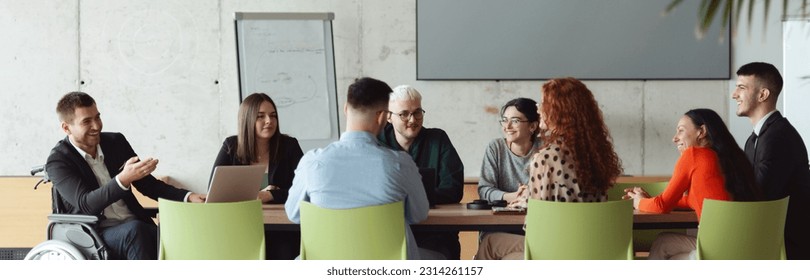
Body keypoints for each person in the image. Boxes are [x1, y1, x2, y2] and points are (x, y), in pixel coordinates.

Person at [45, 92, 206, 260]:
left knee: (183, 231)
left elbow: (148, 185)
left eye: (97, 117)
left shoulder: (115, 142)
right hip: (95, 233)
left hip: (134, 224)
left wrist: (188, 197)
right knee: (136, 232)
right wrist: (123, 179)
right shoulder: (58, 161)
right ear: (66, 127)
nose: (96, 126)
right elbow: (86, 204)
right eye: (86, 121)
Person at [475, 77, 622, 260]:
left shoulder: (546, 158)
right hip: (591, 250)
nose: (538, 108)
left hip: (555, 252)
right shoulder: (594, 155)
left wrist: (525, 200)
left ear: (558, 112)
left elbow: (537, 224)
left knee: (490, 243)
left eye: (543, 103)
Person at [285, 77, 431, 260]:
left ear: (346, 109)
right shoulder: (400, 164)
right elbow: (419, 214)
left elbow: (294, 214)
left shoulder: (311, 163)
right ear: (381, 117)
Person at [624, 108, 762, 260]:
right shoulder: (731, 160)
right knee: (663, 242)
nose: (674, 138)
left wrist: (639, 202)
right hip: (750, 248)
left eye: (681, 131)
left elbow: (661, 206)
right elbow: (693, 201)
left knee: (663, 249)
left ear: (701, 131)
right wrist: (649, 201)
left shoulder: (694, 155)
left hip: (718, 251)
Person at [732, 62, 810, 259]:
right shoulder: (755, 139)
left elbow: (759, 195)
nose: (734, 95)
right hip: (764, 237)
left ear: (762, 95)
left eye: (741, 87)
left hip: (785, 247)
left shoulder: (778, 137)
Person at [212, 92, 304, 260]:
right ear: (247, 119)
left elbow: (305, 190)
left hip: (283, 230)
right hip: (239, 227)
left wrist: (269, 195)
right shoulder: (231, 146)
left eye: (273, 116)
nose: (269, 121)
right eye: (261, 116)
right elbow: (215, 193)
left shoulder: (289, 146)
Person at [377, 85, 464, 259]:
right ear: (388, 117)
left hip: (435, 232)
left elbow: (453, 189)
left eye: (417, 112)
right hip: (388, 232)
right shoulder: (375, 143)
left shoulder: (438, 139)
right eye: (404, 114)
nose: (412, 119)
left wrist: (404, 199)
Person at [478, 98, 541, 204]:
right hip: (501, 215)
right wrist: (514, 196)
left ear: (533, 126)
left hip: (538, 213)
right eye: (504, 120)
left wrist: (529, 195)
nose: (507, 126)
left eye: (515, 121)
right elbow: (484, 190)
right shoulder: (496, 148)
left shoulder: (546, 148)